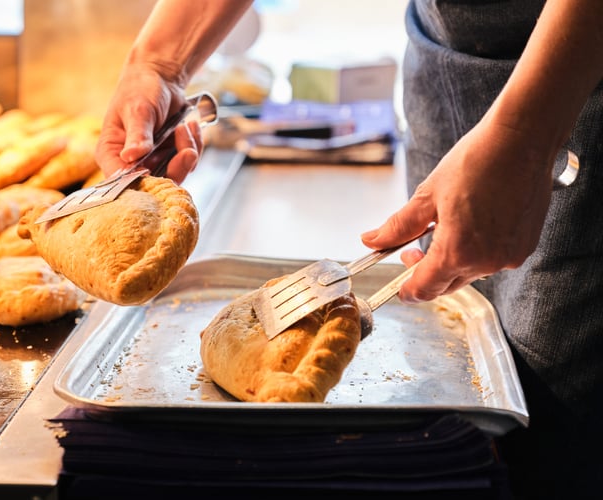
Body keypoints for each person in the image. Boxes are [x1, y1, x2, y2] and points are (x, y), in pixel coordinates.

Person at [95, 1, 603, 497]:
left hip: (580, 65)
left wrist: (524, 137)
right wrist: (158, 64)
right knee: (460, 413)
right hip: (448, 57)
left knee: (557, 424)